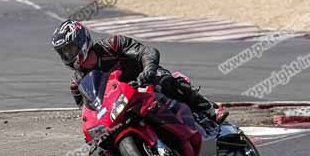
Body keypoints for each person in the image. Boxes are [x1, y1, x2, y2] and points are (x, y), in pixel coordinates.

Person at [51, 20, 228, 123]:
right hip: (121, 103)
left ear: (82, 40)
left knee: (167, 83)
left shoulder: (113, 45)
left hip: (146, 80)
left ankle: (209, 109)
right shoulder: (77, 83)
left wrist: (149, 69)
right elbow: (88, 113)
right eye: (63, 52)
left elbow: (147, 52)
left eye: (70, 48)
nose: (68, 54)